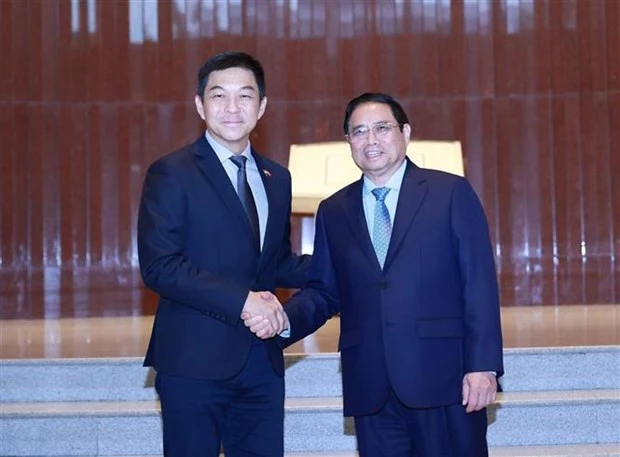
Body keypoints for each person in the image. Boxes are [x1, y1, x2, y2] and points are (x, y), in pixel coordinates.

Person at [246, 92, 504, 456]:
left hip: (445, 379)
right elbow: (324, 291)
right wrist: (281, 321)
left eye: (382, 128)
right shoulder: (334, 210)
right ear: (348, 142)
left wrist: (483, 366)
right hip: (371, 385)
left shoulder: (450, 193)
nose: (371, 140)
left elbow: (478, 284)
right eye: (359, 131)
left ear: (405, 133)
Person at [137, 51, 310, 457]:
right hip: (193, 361)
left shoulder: (277, 177)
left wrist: (345, 261)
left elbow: (275, 262)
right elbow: (161, 266)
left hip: (261, 363)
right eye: (219, 96)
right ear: (200, 105)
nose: (232, 108)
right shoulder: (171, 172)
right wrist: (243, 301)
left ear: (262, 106)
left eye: (245, 96)